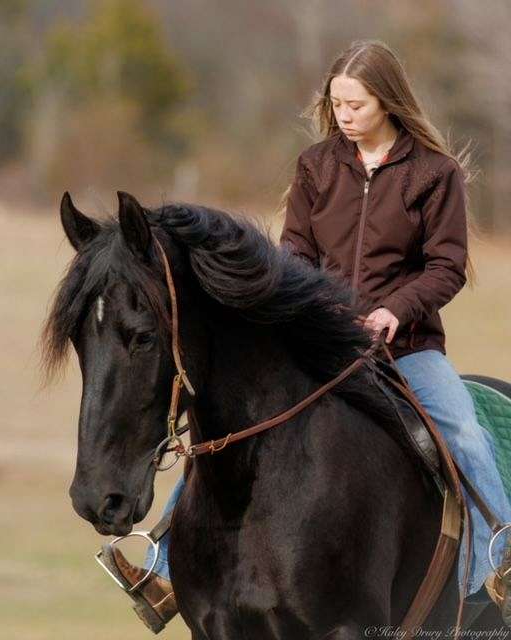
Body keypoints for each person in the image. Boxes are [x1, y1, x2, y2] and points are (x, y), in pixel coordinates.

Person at [100, 39, 511, 631]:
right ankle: (163, 566)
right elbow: (292, 257)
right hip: (323, 344)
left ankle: (497, 563)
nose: (343, 116)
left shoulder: (433, 174)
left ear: (388, 103)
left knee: (464, 435)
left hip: (407, 348)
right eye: (336, 103)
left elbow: (445, 266)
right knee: (224, 432)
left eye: (356, 104)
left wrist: (395, 309)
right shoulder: (318, 165)